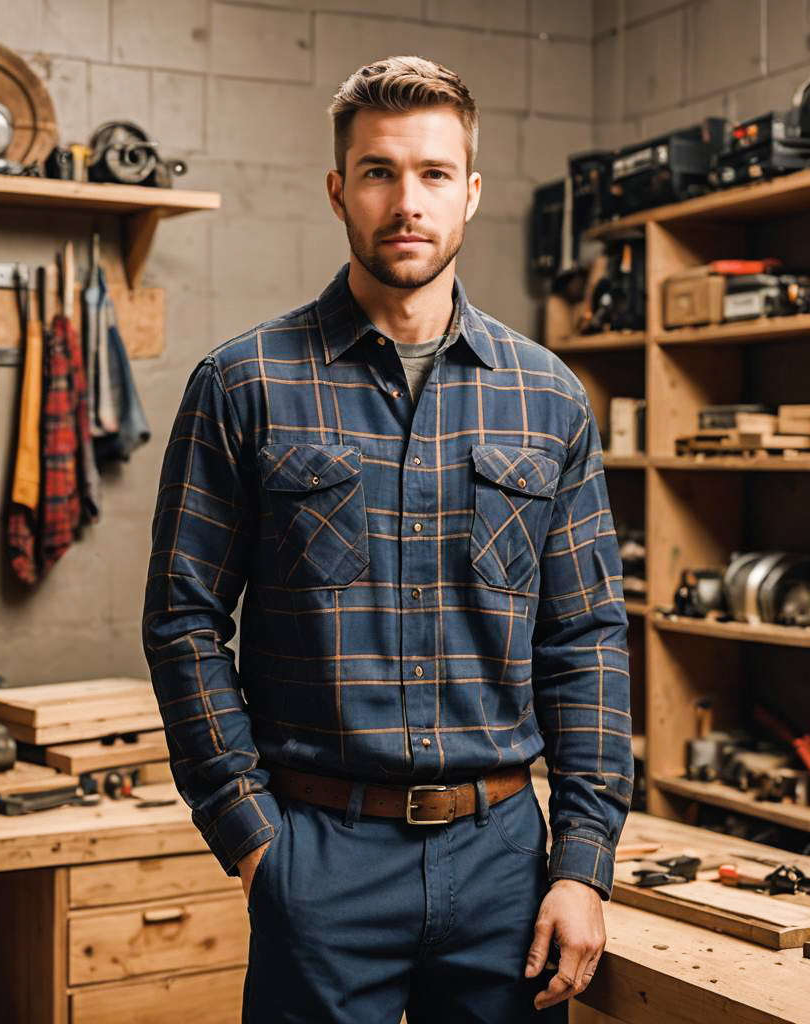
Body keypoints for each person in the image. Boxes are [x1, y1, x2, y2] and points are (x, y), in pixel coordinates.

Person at [143, 54, 632, 1023]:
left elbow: (585, 641)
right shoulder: (244, 386)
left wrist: (581, 863)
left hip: (502, 867)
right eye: (377, 172)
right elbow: (183, 622)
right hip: (318, 853)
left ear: (471, 191)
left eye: (432, 174)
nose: (405, 201)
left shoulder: (548, 400)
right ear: (337, 190)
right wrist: (253, 839)